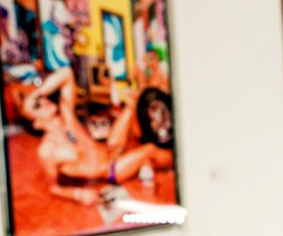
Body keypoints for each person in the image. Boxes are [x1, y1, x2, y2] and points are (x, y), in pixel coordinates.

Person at [21, 66, 173, 205]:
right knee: (150, 149)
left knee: (132, 102)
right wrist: (78, 194)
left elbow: (66, 73)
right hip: (113, 169)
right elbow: (53, 188)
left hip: (111, 147)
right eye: (36, 105)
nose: (43, 101)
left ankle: (148, 159)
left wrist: (38, 92)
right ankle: (176, 156)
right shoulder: (47, 151)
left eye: (40, 98)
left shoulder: (66, 115)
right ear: (36, 124)